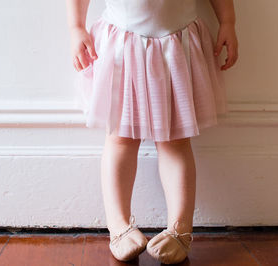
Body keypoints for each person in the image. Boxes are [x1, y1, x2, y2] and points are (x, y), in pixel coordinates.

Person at [65, 0, 238, 263]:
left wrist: (228, 21)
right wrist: (76, 26)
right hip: (123, 47)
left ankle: (180, 230)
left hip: (176, 48)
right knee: (120, 139)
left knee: (176, 142)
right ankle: (119, 226)